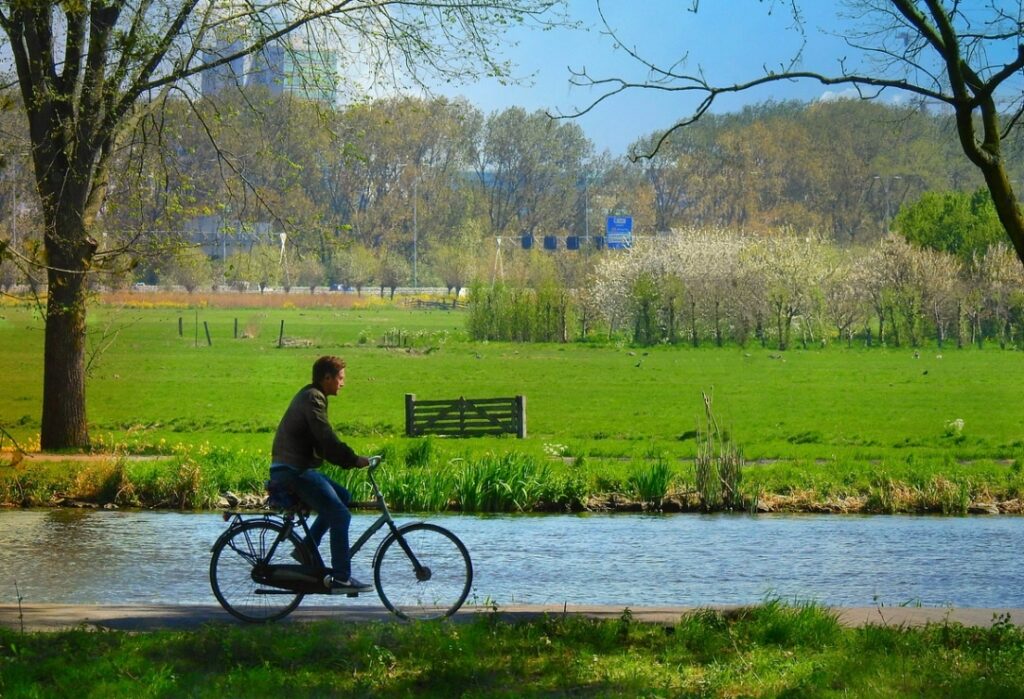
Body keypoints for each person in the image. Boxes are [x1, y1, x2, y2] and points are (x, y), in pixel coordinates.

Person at [268, 355, 372, 591]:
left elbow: (323, 440)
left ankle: (306, 550)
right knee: (341, 516)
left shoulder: (313, 395)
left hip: (293, 468)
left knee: (342, 497)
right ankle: (341, 577)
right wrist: (353, 460)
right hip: (293, 471)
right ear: (327, 378)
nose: (343, 383)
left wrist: (348, 459)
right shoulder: (313, 398)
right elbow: (325, 438)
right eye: (341, 378)